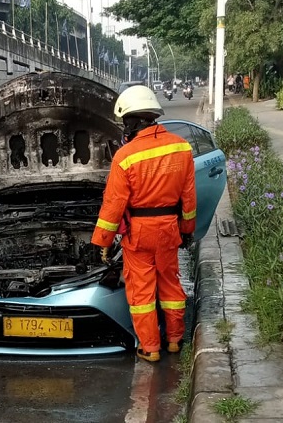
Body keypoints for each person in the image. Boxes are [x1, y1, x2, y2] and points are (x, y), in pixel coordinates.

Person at [91, 85, 197, 363]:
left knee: (142, 293)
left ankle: (150, 347)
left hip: (139, 235)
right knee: (171, 285)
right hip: (169, 231)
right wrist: (186, 231)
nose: (124, 128)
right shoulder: (181, 147)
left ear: (135, 121)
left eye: (125, 122)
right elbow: (189, 199)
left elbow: (113, 206)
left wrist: (102, 242)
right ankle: (174, 340)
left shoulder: (125, 157)